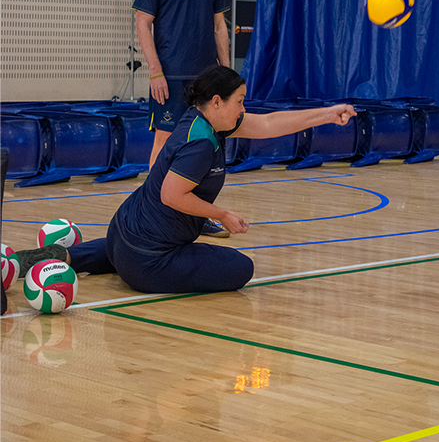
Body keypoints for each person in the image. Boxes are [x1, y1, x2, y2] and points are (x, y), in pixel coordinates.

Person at [16, 66, 357, 296]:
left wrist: (327, 115)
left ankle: (47, 258)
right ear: (217, 101)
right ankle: (88, 259)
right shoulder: (201, 142)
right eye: (239, 102)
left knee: (134, 246)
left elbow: (268, 125)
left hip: (122, 232)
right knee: (241, 268)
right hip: (147, 261)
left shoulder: (202, 119)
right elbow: (171, 195)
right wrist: (220, 215)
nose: (243, 109)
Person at [133, 0, 231, 237]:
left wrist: (227, 76)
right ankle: (153, 213)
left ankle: (197, 215)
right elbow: (143, 24)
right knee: (164, 141)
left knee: (205, 143)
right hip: (170, 77)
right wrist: (156, 71)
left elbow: (220, 28)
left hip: (207, 79)